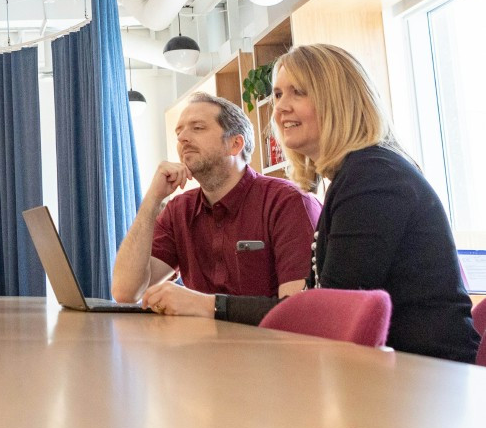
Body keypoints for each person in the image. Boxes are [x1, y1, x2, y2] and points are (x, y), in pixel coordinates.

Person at [143, 44, 481, 364]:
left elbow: (327, 315)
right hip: (392, 373)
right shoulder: (356, 176)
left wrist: (209, 305)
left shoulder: (373, 177)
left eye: (298, 92)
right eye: (277, 94)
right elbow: (313, 300)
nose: (280, 107)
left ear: (338, 99)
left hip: (429, 381)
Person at [110, 92, 320, 304]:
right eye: (179, 132)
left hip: (266, 337)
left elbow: (297, 311)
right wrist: (152, 200)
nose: (182, 138)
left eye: (198, 128)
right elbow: (125, 292)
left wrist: (206, 306)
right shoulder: (178, 211)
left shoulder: (288, 203)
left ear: (235, 144)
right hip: (198, 337)